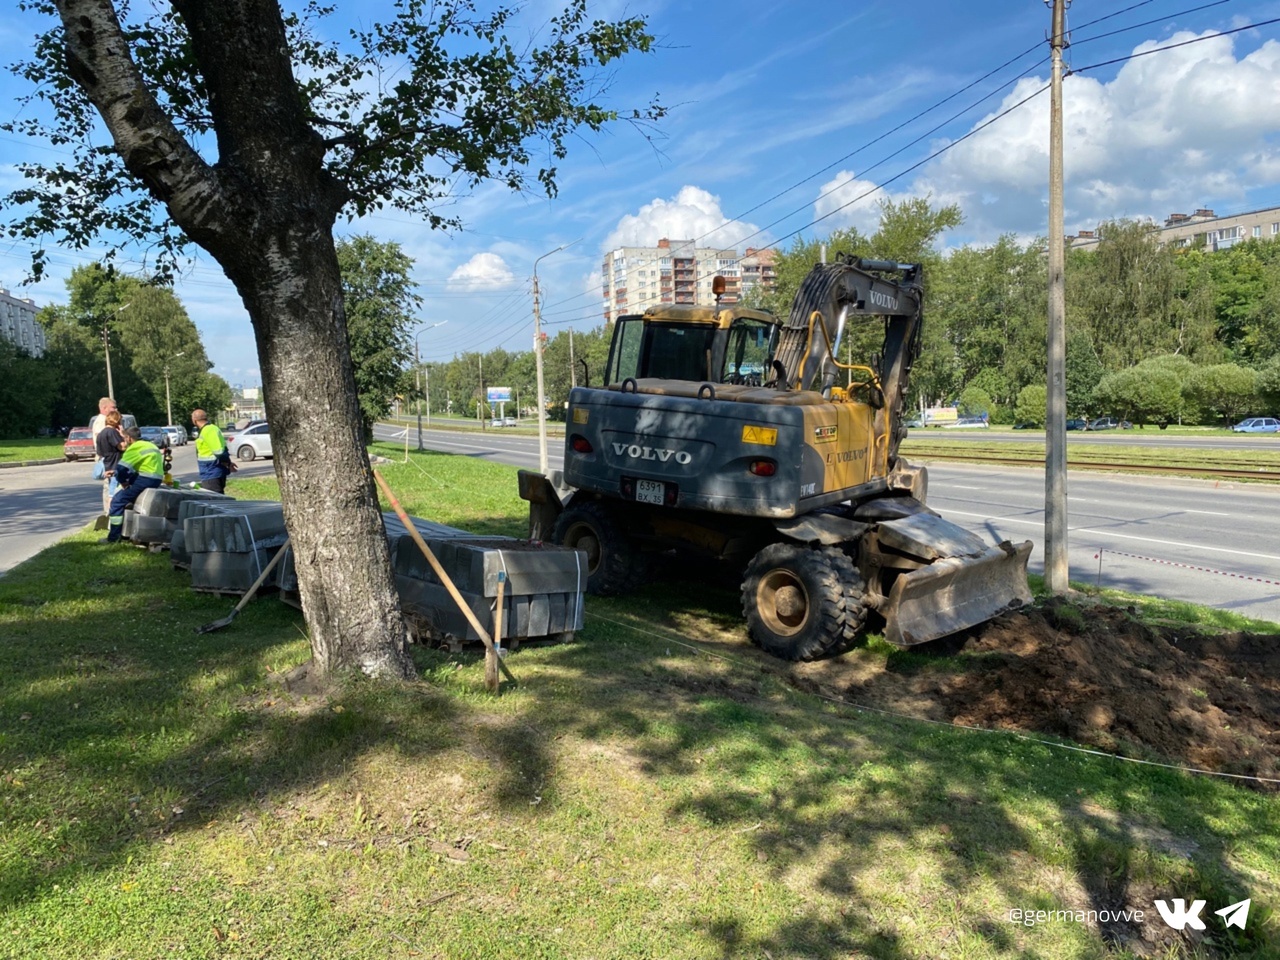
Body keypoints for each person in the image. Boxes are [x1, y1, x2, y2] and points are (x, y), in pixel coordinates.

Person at [102, 426, 165, 544]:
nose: (125, 441)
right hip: (155, 478)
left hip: (145, 479)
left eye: (125, 438)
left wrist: (123, 482)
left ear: (129, 438)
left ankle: (114, 538)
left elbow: (121, 469)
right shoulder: (150, 445)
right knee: (127, 495)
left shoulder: (134, 448)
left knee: (117, 501)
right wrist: (115, 472)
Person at [191, 409, 236, 494]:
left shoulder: (208, 430)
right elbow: (222, 449)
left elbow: (219, 452)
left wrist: (228, 463)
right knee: (217, 498)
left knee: (214, 500)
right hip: (213, 470)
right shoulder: (212, 428)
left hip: (211, 471)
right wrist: (228, 463)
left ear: (194, 420)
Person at [94, 409, 126, 514]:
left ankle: (108, 512)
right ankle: (112, 513)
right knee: (114, 491)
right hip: (115, 464)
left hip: (106, 463)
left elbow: (99, 452)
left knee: (110, 490)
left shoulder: (101, 434)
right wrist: (123, 434)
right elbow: (122, 447)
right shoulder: (112, 432)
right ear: (117, 421)